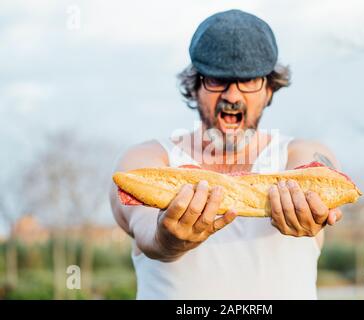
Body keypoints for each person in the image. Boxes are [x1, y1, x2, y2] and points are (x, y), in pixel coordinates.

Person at [109, 9, 343, 299]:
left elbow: (319, 173)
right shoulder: (148, 160)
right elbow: (144, 226)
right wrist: (166, 239)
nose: (232, 96)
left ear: (269, 90)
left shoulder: (296, 153)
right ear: (194, 87)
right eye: (217, 80)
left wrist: (311, 206)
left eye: (249, 80)